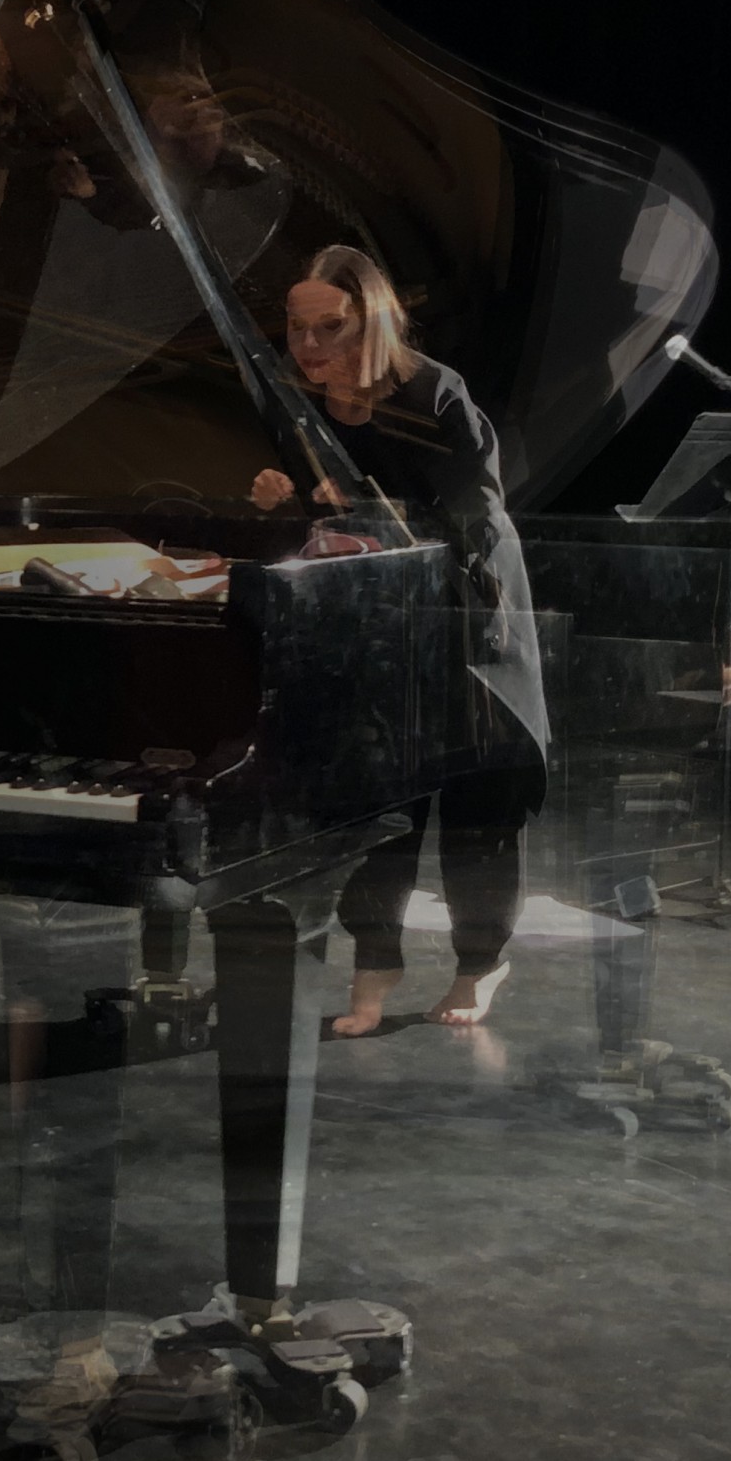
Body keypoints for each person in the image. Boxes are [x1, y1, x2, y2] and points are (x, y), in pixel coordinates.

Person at [249, 244, 548, 1031]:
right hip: (376, 618)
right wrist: (283, 497)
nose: (309, 345)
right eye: (297, 328)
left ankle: (480, 963)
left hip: (466, 609)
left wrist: (370, 518)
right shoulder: (295, 400)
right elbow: (319, 520)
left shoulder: (431, 391)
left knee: (481, 799)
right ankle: (375, 959)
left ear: (373, 320)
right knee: (378, 791)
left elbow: (477, 513)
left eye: (331, 327)